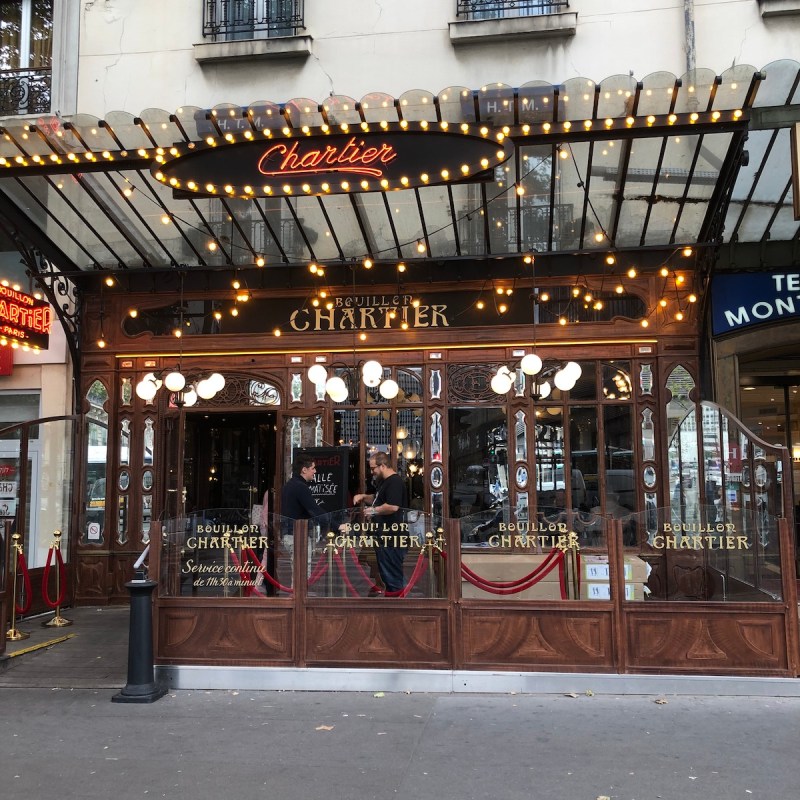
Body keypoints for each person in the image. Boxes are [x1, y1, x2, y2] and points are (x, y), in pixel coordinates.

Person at [353, 452, 408, 594]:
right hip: (384, 536)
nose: (372, 472)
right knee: (387, 575)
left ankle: (397, 607)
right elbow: (378, 499)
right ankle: (394, 602)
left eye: (373, 468)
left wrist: (373, 511)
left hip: (392, 537)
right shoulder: (385, 482)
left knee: (392, 576)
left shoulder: (394, 481)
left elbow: (392, 506)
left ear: (383, 465)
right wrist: (364, 497)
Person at [280, 455, 327, 544]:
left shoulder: (289, 485)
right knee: (303, 558)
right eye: (313, 468)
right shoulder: (300, 487)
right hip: (298, 536)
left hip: (289, 534)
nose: (315, 471)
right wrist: (337, 525)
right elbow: (314, 510)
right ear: (304, 470)